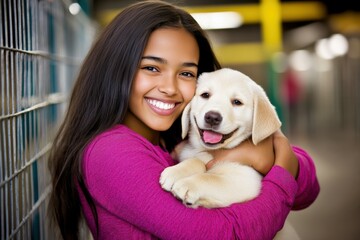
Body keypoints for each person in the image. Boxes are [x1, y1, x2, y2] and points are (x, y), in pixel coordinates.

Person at [48, 1, 320, 240]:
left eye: (187, 74)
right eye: (151, 68)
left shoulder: (180, 133)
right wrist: (280, 169)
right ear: (116, 69)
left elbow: (308, 190)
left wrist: (261, 157)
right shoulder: (111, 152)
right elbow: (227, 234)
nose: (170, 88)